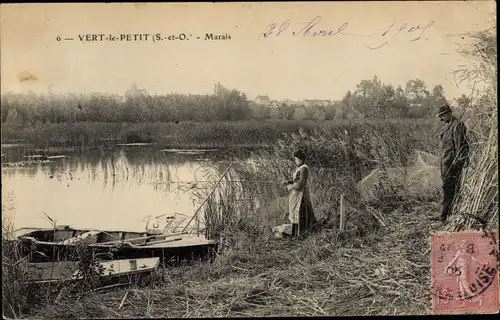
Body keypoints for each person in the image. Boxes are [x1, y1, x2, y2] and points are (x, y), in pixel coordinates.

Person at [436, 103, 469, 223]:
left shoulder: (457, 125)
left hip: (451, 164)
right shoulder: (448, 124)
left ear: (448, 113)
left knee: (449, 189)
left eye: (442, 115)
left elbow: (460, 146)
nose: (440, 118)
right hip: (446, 163)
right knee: (447, 188)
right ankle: (449, 214)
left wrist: (458, 164)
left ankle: (445, 216)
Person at [282, 150, 317, 237]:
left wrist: (291, 186)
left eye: (296, 159)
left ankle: (300, 234)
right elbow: (296, 180)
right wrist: (288, 182)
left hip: (301, 195)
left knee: (300, 213)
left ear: (301, 159)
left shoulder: (304, 168)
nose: (295, 160)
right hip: (296, 194)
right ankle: (295, 234)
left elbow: (300, 184)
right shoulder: (300, 167)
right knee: (294, 213)